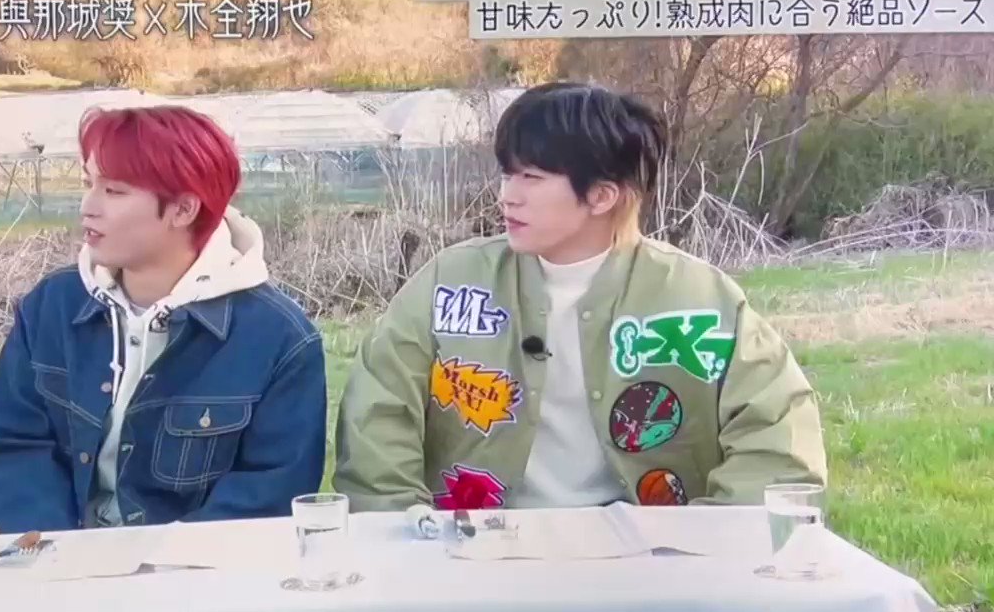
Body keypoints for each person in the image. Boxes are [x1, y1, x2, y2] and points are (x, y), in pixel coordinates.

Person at [332, 81, 826, 514]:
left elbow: (775, 432)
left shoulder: (698, 298)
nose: (507, 195)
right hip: (474, 547)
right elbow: (379, 413)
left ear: (601, 196)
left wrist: (712, 544)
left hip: (646, 555)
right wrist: (404, 532)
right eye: (507, 174)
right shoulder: (452, 282)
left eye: (531, 178)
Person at [0, 105, 328, 533]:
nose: (88, 206)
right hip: (58, 562)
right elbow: (11, 449)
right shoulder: (52, 307)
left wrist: (155, 566)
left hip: (201, 568)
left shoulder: (279, 338)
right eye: (87, 183)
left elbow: (269, 493)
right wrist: (56, 555)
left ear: (183, 209)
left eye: (114, 191)